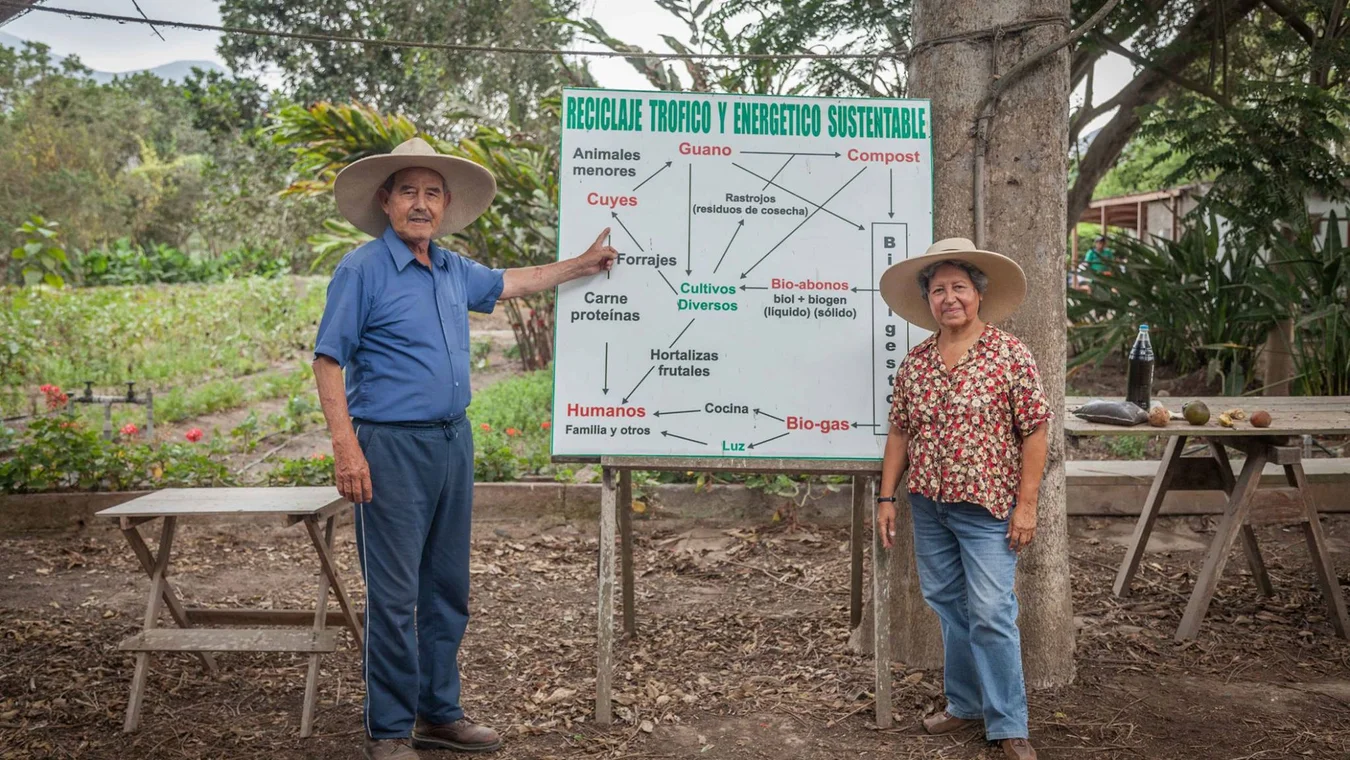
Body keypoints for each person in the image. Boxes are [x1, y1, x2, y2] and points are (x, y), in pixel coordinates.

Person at [312, 137, 617, 760]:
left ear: (445, 205)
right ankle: (390, 730)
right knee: (395, 595)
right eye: (408, 192)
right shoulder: (362, 269)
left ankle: (437, 713)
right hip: (390, 447)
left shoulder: (451, 269)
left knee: (446, 587)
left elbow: (513, 281)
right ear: (385, 201)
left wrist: (581, 264)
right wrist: (347, 448)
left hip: (454, 442)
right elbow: (327, 360)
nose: (420, 204)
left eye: (431, 193)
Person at [874, 238, 1052, 760]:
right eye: (938, 290)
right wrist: (887, 497)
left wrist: (1027, 504)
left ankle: (1009, 723)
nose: (949, 298)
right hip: (930, 504)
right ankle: (965, 703)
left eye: (959, 287)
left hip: (988, 509)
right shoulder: (918, 362)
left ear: (978, 294)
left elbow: (1035, 431)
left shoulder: (1009, 354)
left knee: (992, 610)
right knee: (950, 606)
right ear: (928, 300)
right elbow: (900, 433)